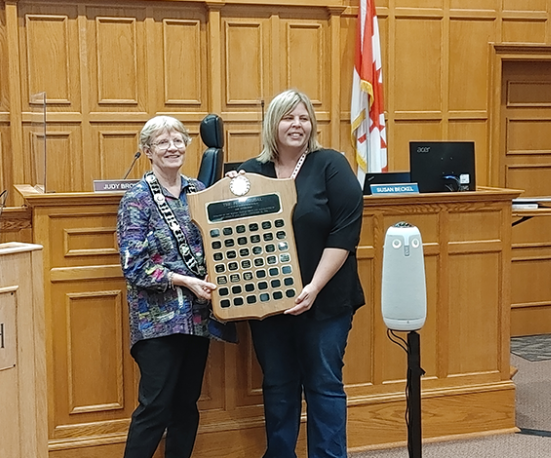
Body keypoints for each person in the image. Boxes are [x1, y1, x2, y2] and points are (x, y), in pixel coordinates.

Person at [237, 89, 365, 458]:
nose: (297, 125)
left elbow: (345, 232)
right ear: (272, 124)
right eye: (288, 117)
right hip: (269, 302)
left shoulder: (331, 164)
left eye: (304, 118)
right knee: (278, 385)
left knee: (324, 384)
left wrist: (313, 287)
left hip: (324, 300)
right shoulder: (250, 171)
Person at [117, 115, 218, 458]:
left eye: (178, 140)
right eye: (162, 142)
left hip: (197, 317)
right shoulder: (137, 199)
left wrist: (236, 184)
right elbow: (134, 267)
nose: (172, 147)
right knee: (154, 408)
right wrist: (184, 280)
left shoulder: (200, 191)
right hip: (157, 322)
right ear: (147, 151)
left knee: (186, 406)